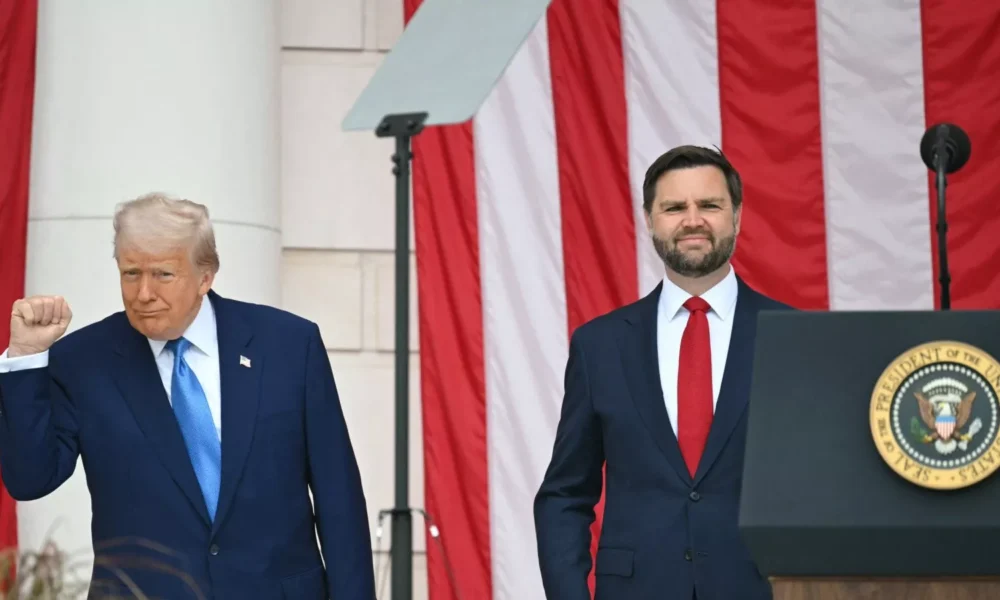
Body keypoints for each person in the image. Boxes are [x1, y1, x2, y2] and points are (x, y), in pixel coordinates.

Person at [0, 193, 375, 599]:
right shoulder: (83, 360)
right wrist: (26, 357)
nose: (143, 293)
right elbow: (29, 480)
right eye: (130, 273)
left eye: (163, 274)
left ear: (205, 277)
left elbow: (339, 500)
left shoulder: (288, 345)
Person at [534, 146, 791, 600]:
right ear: (650, 220)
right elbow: (565, 495)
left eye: (709, 205)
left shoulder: (792, 337)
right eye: (674, 208)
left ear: (737, 216)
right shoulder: (600, 346)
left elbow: (819, 490)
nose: (693, 220)